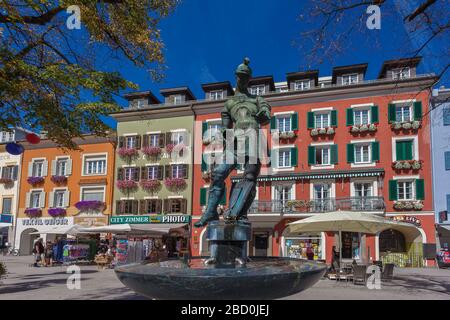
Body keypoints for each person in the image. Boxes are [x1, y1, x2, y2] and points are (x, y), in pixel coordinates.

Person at [194, 58, 271, 227]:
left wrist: (264, 115)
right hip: (234, 141)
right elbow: (225, 126)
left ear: (249, 79)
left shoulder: (257, 99)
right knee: (218, 173)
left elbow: (266, 113)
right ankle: (211, 212)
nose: (242, 80)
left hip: (253, 138)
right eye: (239, 77)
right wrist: (222, 133)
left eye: (245, 77)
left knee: (250, 175)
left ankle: (240, 213)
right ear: (236, 78)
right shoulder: (229, 103)